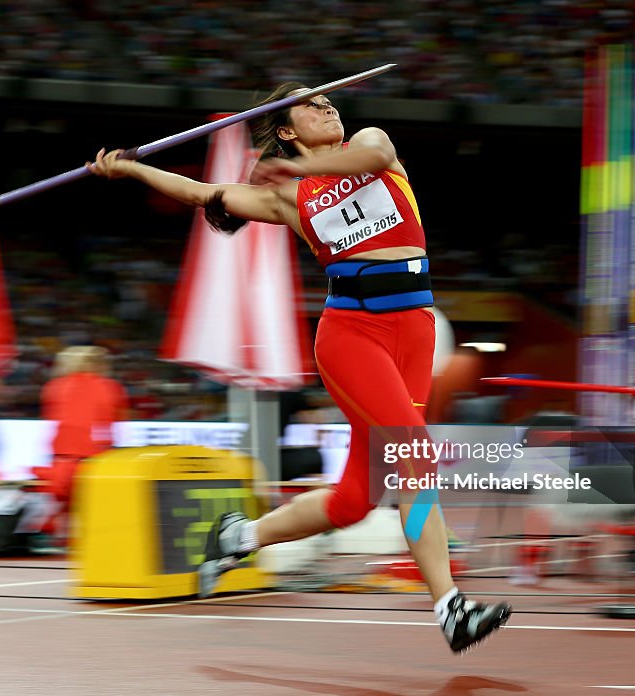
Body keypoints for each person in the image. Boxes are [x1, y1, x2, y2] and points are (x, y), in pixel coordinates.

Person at [87, 83, 511, 654]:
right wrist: (135, 171)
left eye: (326, 100)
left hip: (414, 331)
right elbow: (203, 193)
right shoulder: (291, 198)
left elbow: (370, 159)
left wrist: (285, 168)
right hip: (353, 336)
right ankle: (450, 608)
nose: (326, 106)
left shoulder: (371, 143)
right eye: (310, 105)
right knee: (414, 452)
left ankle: (239, 536)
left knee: (354, 502)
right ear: (286, 129)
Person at [39, 345, 130, 504]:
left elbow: (51, 416)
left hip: (62, 458)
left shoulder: (55, 386)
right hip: (94, 458)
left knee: (63, 508)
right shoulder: (109, 386)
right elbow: (118, 420)